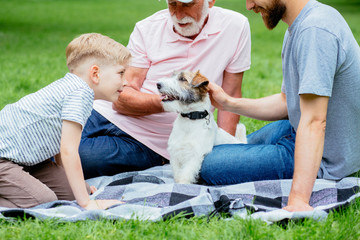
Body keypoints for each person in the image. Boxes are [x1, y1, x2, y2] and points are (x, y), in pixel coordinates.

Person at [201, 0, 360, 212]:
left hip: (324, 155)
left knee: (209, 165)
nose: (249, 6)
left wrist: (298, 200)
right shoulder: (297, 26)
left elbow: (314, 121)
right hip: (297, 131)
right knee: (214, 150)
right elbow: (287, 102)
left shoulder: (315, 30)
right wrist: (227, 103)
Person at [79, 0, 251, 179]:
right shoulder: (147, 28)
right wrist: (172, 102)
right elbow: (121, 99)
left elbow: (230, 94)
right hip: (100, 112)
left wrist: (226, 154)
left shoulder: (235, 26)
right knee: (51, 138)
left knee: (76, 158)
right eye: (172, 4)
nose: (178, 15)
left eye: (187, 5)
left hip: (147, 141)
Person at [0, 33, 131, 209]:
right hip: (4, 159)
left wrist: (78, 188)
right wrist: (87, 203)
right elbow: (69, 151)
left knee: (70, 194)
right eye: (121, 73)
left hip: (28, 160)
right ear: (95, 74)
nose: (126, 81)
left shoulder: (77, 90)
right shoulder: (80, 94)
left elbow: (60, 145)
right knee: (43, 202)